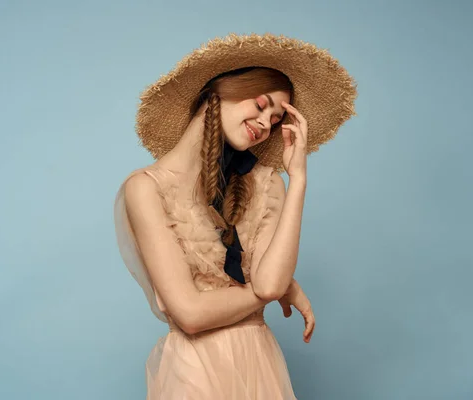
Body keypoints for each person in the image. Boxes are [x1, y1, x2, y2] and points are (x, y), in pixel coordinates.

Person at [114, 33, 356, 399]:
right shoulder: (145, 188)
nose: (264, 123)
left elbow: (271, 281)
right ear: (220, 91)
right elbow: (191, 314)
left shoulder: (268, 184)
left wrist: (299, 179)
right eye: (260, 104)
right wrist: (275, 289)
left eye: (275, 120)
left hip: (258, 362)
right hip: (194, 372)